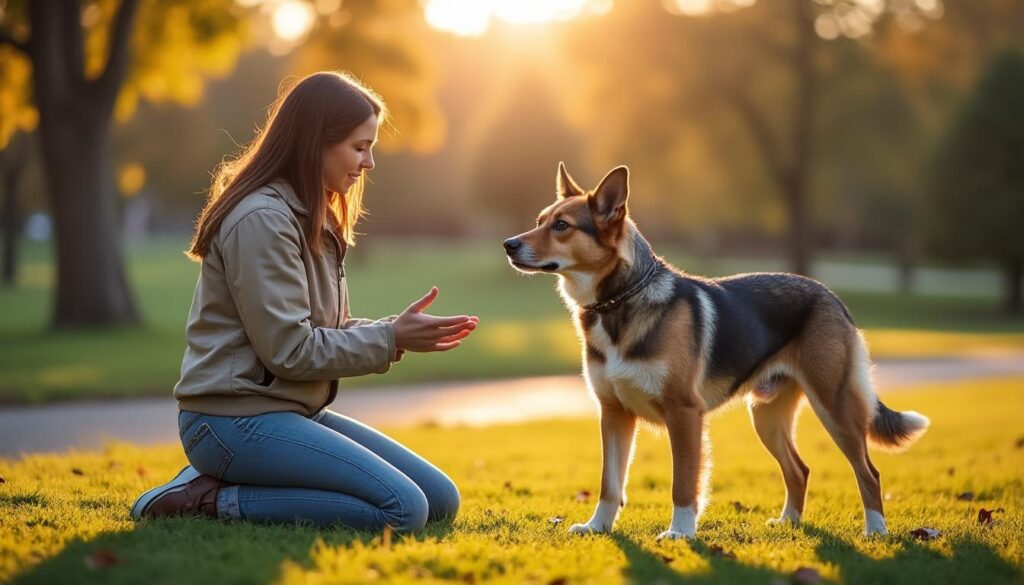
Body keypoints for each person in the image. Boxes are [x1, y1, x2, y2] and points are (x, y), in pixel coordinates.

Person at [129, 71, 477, 533]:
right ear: (316, 143)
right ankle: (208, 497)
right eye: (359, 147)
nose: (369, 162)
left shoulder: (311, 214)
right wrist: (389, 338)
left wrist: (396, 331)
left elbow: (324, 329)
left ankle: (225, 484)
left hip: (288, 411)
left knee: (440, 500)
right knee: (404, 510)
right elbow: (290, 350)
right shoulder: (262, 220)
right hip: (230, 421)